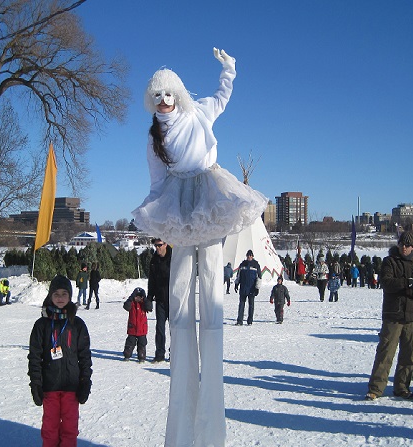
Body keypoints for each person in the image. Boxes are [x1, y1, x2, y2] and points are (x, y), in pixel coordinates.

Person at [131, 48, 267, 447]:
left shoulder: (199, 111)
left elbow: (222, 98)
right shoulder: (154, 138)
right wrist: (156, 213)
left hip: (208, 190)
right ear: (151, 101)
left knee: (209, 271)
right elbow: (157, 182)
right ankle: (183, 334)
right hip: (177, 199)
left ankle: (210, 326)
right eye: (156, 96)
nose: (163, 100)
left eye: (167, 93)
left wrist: (229, 70)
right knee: (180, 283)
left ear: (177, 93)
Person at [27, 275, 92, 447]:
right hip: (50, 387)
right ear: (50, 296)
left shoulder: (77, 324)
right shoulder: (41, 325)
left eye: (64, 294)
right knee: (50, 429)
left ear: (70, 296)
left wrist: (85, 381)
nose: (60, 298)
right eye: (56, 294)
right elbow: (34, 357)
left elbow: (85, 356)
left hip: (72, 386)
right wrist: (36, 383)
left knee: (70, 429)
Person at [365, 231, 413, 400]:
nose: (404, 247)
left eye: (407, 245)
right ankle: (376, 388)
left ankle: (402, 386)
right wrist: (409, 283)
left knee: (409, 354)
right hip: (393, 315)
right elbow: (387, 283)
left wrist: (407, 288)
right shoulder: (390, 261)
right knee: (385, 353)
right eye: (401, 244)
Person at [147, 238, 171, 363]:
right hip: (160, 300)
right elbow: (151, 281)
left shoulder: (173, 258)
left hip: (173, 300)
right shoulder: (154, 260)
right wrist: (149, 298)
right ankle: (159, 354)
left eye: (159, 245)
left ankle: (175, 352)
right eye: (155, 246)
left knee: (174, 328)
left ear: (165, 244)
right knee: (160, 328)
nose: (157, 248)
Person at [122, 287, 153, 363]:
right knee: (130, 342)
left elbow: (150, 307)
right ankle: (127, 355)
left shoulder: (144, 304)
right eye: (136, 296)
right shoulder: (132, 303)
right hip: (132, 328)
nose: (138, 298)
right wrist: (131, 297)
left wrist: (145, 299)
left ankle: (141, 356)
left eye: (140, 297)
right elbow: (126, 306)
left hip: (142, 329)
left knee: (142, 344)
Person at [235, 250, 262, 326]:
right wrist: (236, 284)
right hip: (243, 287)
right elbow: (238, 275)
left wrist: (257, 287)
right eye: (248, 255)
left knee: (251, 305)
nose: (249, 257)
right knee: (241, 304)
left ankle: (250, 321)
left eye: (250, 255)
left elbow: (259, 277)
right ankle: (239, 320)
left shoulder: (256, 265)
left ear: (252, 256)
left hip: (252, 288)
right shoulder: (243, 264)